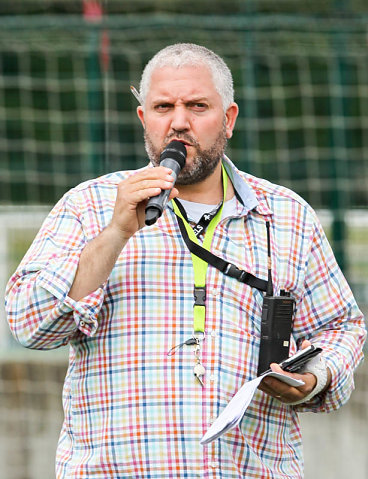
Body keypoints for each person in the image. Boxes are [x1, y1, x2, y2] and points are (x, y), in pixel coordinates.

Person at [5, 43, 366, 478]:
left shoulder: (286, 215)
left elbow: (343, 327)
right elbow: (29, 324)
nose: (179, 122)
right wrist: (116, 233)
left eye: (197, 106)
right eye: (163, 107)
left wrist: (313, 379)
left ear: (229, 119)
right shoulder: (90, 205)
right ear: (144, 119)